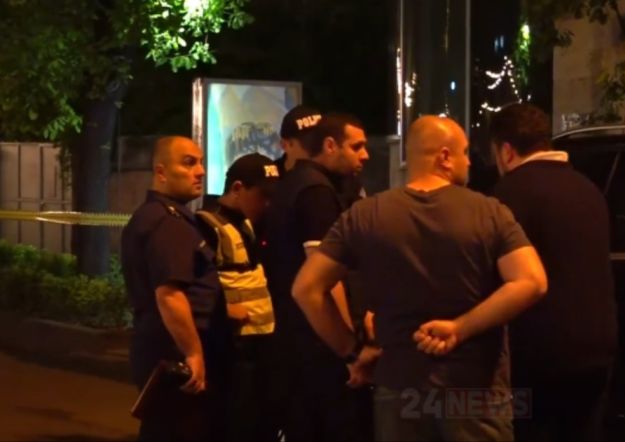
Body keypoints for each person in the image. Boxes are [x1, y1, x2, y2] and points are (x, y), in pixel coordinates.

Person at [291, 115, 548, 441]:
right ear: (444, 156)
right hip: (474, 390)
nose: (469, 161)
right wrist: (460, 328)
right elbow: (532, 281)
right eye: (464, 152)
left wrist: (352, 352)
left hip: (399, 388)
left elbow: (306, 289)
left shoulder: (365, 215)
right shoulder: (489, 212)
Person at [490, 103, 617, 441]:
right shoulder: (587, 189)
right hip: (596, 349)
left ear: (506, 151)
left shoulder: (509, 194)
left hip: (538, 355)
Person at [261, 112, 372, 441]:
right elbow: (323, 280)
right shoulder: (316, 192)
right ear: (330, 146)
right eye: (356, 146)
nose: (365, 155)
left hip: (297, 341)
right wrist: (350, 350)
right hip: (319, 346)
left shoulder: (295, 183)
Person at [121, 136, 230, 441]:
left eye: (201, 163)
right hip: (173, 350)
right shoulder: (168, 223)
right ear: (161, 172)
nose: (201, 171)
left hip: (159, 343)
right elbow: (170, 295)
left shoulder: (156, 216)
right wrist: (193, 353)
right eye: (189, 163)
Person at [194, 153, 279, 441]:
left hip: (259, 341)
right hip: (233, 345)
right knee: (235, 422)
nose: (267, 203)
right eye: (262, 195)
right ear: (238, 188)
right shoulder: (207, 226)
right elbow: (195, 285)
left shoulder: (247, 223)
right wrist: (226, 311)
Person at [275, 105, 322, 175]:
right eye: (309, 143)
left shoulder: (332, 174)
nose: (321, 149)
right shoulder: (269, 177)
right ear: (285, 145)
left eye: (322, 140)